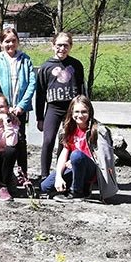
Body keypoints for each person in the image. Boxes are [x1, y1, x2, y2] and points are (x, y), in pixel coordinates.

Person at [40, 95, 118, 202]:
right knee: (45, 186)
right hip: (73, 165)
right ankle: (69, 187)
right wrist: (58, 176)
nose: (80, 115)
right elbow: (64, 153)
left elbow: (104, 158)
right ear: (71, 113)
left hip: (91, 169)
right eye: (76, 112)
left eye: (84, 112)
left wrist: (76, 159)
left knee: (76, 155)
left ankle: (77, 192)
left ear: (90, 112)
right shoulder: (69, 129)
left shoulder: (98, 130)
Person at [35, 31, 86, 178]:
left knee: (66, 142)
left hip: (72, 110)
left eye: (65, 45)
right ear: (53, 46)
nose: (62, 49)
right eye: (58, 45)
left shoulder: (76, 65)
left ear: (70, 46)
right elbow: (40, 94)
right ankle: (44, 175)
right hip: (53, 109)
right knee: (48, 140)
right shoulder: (46, 67)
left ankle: (61, 174)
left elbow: (82, 90)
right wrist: (40, 118)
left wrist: (85, 113)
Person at [0, 28, 36, 176]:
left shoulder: (25, 59)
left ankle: (23, 173)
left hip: (19, 109)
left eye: (13, 41)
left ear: (18, 42)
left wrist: (22, 105)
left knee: (20, 140)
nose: (10, 44)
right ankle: (2, 173)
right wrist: (4, 107)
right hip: (3, 110)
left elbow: (31, 83)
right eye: (7, 41)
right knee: (3, 141)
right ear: (1, 43)